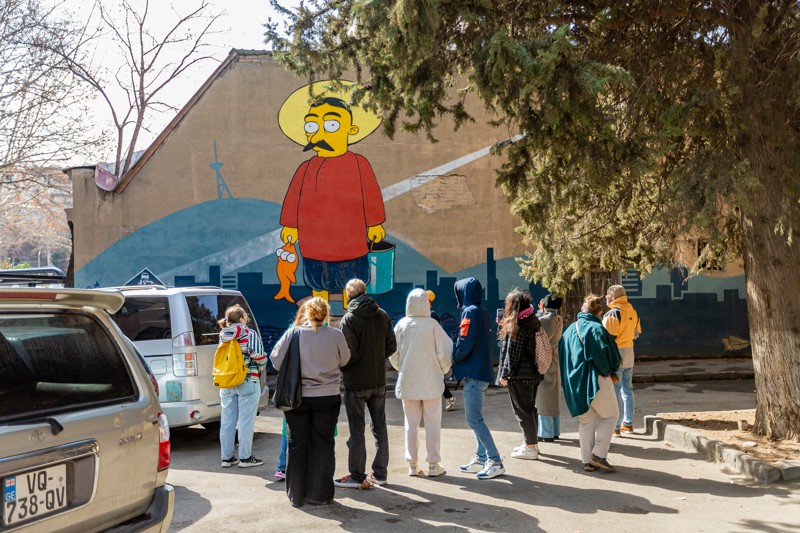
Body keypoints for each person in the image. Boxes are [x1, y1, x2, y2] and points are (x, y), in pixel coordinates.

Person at [270, 297, 351, 507]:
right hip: (328, 397)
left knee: (297, 445)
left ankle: (296, 495)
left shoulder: (293, 333)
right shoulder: (336, 335)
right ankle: (320, 495)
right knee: (323, 445)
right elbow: (345, 360)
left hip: (297, 398)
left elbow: (275, 360)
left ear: (306, 313)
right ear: (326, 314)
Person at [334, 279, 397, 489]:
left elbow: (348, 354)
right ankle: (380, 474)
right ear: (365, 292)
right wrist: (377, 359)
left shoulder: (349, 319)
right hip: (379, 381)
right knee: (380, 428)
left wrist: (346, 368)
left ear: (349, 296)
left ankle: (357, 475)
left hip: (357, 382)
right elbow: (391, 346)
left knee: (357, 431)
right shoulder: (382, 315)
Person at [391, 289, 453, 477]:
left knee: (411, 424)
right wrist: (441, 369)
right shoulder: (433, 325)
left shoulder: (401, 325)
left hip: (407, 381)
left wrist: (401, 368)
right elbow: (445, 351)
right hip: (432, 383)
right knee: (433, 423)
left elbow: (393, 353)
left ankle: (412, 464)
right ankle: (433, 465)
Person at [559, 294, 621, 472]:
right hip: (595, 379)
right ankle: (599, 455)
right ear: (600, 312)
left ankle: (587, 461)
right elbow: (603, 355)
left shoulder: (569, 330)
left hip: (575, 383)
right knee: (611, 415)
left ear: (582, 310)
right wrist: (608, 372)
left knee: (586, 421)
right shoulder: (596, 328)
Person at [453, 277, 505, 479]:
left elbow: (464, 342)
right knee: (476, 417)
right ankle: (481, 457)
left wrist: (455, 356)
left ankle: (495, 460)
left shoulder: (469, 312)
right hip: (481, 371)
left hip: (473, 374)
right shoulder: (482, 311)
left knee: (473, 418)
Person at [497, 289, 546, 460]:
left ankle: (530, 448)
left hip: (520, 376)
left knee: (522, 412)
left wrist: (505, 375)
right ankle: (530, 443)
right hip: (533, 374)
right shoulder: (533, 321)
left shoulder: (518, 326)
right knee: (530, 409)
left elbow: (513, 354)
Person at [218, 304, 268, 468]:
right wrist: (261, 363)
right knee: (246, 421)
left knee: (227, 420)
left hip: (227, 381)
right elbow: (259, 358)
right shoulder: (249, 333)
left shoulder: (223, 334)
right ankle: (245, 458)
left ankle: (226, 458)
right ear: (241, 319)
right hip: (247, 380)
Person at [275, 302, 310, 481]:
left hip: (292, 385)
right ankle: (307, 467)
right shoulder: (322, 331)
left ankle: (282, 466)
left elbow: (276, 357)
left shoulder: (292, 329)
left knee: (287, 428)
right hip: (314, 387)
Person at [602, 285, 642, 436]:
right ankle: (628, 424)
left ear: (613, 297)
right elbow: (637, 334)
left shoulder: (612, 314)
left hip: (616, 355)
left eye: (607, 295)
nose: (605, 297)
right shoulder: (633, 312)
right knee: (628, 389)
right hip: (629, 353)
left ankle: (616, 427)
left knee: (615, 391)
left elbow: (606, 339)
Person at [536, 294, 564, 442]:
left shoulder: (542, 320)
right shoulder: (559, 319)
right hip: (554, 358)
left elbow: (536, 326)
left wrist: (540, 311)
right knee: (553, 396)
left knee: (543, 397)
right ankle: (555, 430)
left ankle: (545, 433)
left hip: (543, 359)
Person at [427, 289, 456, 411]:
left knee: (435, 376)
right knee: (432, 376)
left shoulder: (432, 316)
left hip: (431, 350)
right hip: (427, 349)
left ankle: (448, 396)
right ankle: (447, 397)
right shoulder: (427, 314)